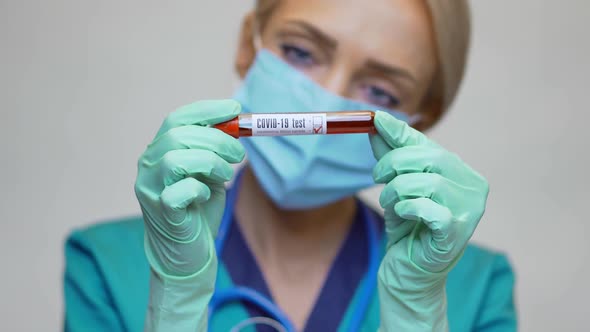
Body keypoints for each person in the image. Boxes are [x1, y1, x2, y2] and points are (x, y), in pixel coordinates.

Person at [63, 0, 517, 331]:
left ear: (422, 117)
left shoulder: (475, 289)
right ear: (248, 44)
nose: (325, 107)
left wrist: (416, 315)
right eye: (301, 52)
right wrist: (175, 302)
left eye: (381, 92)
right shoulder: (104, 264)